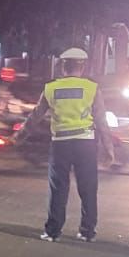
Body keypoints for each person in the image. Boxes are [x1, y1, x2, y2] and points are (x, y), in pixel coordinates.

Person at [36, 47, 106, 242]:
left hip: (60, 144)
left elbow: (36, 115)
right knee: (88, 187)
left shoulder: (51, 88)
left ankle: (53, 231)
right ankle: (87, 231)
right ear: (82, 67)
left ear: (62, 67)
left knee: (58, 187)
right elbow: (101, 121)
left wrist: (18, 136)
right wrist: (109, 149)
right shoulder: (92, 88)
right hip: (86, 143)